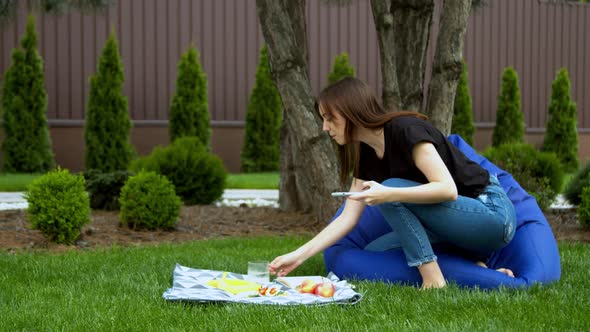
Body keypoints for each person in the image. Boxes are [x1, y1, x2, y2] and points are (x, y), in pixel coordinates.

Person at [268, 77, 517, 288]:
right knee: (379, 252)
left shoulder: (406, 130)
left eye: (329, 118)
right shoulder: (366, 154)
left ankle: (433, 280)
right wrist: (297, 256)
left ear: (350, 112)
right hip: (455, 231)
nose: (324, 127)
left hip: (491, 215)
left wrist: (388, 193)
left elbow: (447, 189)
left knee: (394, 188)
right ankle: (482, 273)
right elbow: (347, 218)